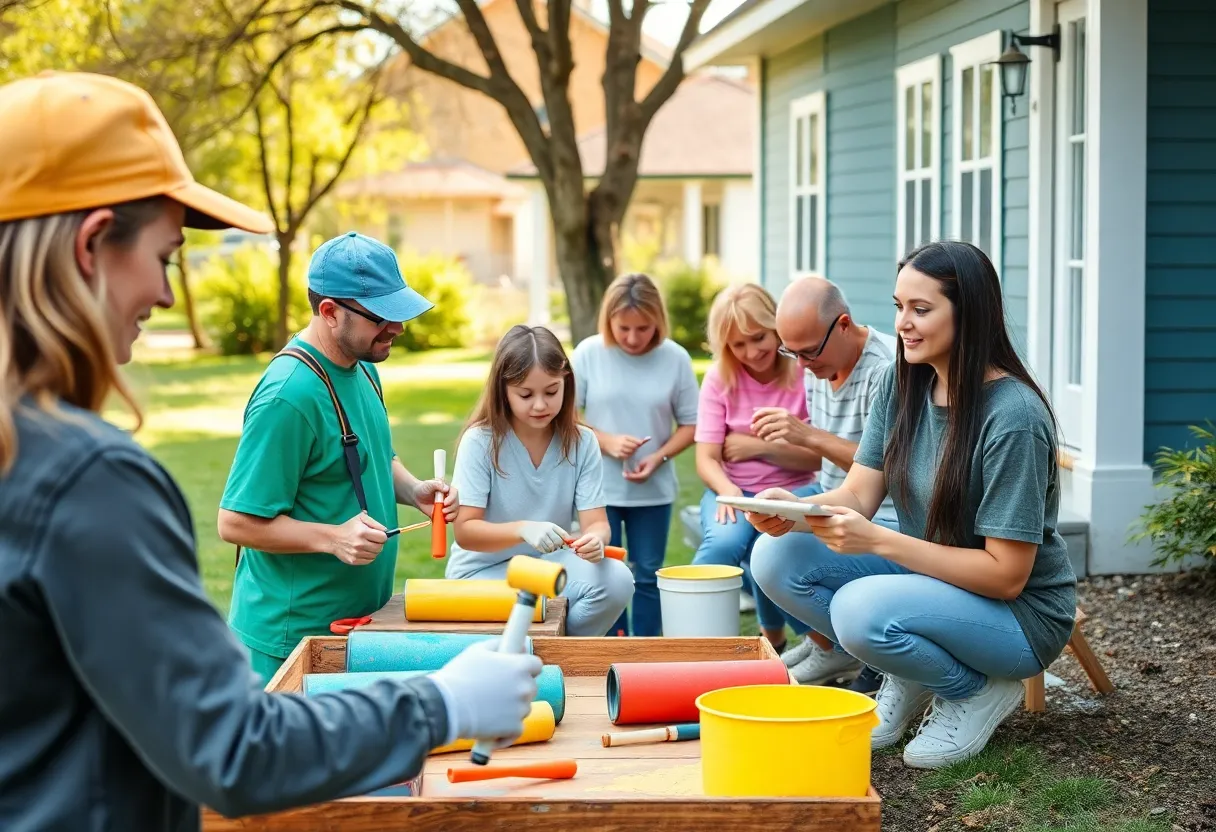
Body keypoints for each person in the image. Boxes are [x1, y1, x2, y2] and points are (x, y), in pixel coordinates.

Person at [0, 70, 542, 830]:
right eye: (165, 257)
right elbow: (233, 750)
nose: (163, 294)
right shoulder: (91, 479)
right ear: (93, 245)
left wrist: (411, 488)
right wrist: (443, 702)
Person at [744, 241, 1077, 770]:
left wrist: (878, 540)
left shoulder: (1013, 416)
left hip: (1019, 617)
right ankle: (911, 670)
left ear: (970, 314)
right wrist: (793, 512)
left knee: (859, 610)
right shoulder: (904, 386)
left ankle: (972, 690)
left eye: (922, 309)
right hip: (937, 582)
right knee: (773, 556)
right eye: (900, 306)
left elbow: (1006, 576)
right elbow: (857, 494)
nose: (904, 323)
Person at [217, 231, 460, 685]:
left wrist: (414, 490)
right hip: (291, 645)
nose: (398, 329)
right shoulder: (289, 396)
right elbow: (235, 522)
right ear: (330, 312)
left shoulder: (362, 365)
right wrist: (333, 538)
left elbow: (373, 458)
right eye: (382, 317)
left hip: (354, 629)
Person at [747, 276, 897, 690]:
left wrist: (808, 435)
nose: (802, 366)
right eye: (790, 352)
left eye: (809, 351)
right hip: (831, 493)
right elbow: (832, 462)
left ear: (844, 325)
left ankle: (849, 651)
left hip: (884, 512)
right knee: (761, 527)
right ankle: (829, 648)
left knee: (778, 554)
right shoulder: (816, 364)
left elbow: (890, 468)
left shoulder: (885, 372)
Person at [446, 324, 635, 636]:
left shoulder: (582, 441)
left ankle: (558, 657)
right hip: (482, 574)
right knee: (535, 602)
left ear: (566, 384)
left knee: (617, 579)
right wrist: (524, 529)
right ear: (503, 391)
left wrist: (596, 541)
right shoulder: (480, 440)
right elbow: (466, 532)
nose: (539, 405)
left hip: (547, 569)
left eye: (551, 391)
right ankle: (551, 655)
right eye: (525, 394)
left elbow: (598, 524)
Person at [691, 283, 820, 652]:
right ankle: (695, 645)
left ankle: (801, 642)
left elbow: (814, 458)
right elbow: (707, 458)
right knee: (724, 543)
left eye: (758, 337)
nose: (751, 352)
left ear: (775, 324)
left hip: (793, 489)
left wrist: (758, 448)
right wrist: (729, 491)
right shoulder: (720, 378)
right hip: (732, 490)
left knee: (771, 541)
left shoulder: (803, 374)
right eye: (737, 345)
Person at [572, 273, 700, 636]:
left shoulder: (675, 358)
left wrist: (658, 456)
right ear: (608, 320)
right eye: (623, 327)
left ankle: (644, 649)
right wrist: (607, 441)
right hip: (596, 492)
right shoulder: (588, 354)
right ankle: (611, 647)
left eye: (642, 328)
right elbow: (567, 416)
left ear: (657, 321)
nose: (632, 337)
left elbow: (692, 424)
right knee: (605, 574)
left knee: (647, 574)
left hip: (653, 491)